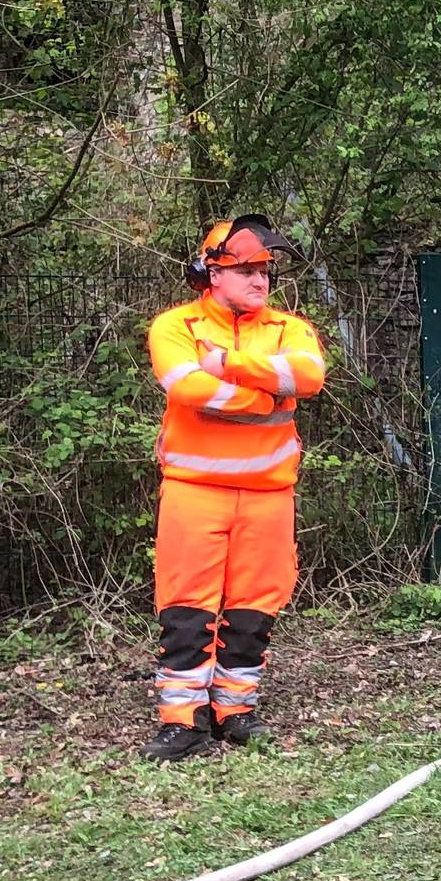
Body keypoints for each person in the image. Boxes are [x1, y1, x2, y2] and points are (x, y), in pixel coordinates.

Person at [141, 215, 325, 759]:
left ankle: (235, 711)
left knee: (254, 608)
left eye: (264, 271)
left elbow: (308, 378)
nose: (260, 280)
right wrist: (263, 397)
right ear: (213, 274)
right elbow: (187, 386)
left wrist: (228, 364)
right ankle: (182, 720)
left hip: (268, 495)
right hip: (194, 490)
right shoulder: (175, 326)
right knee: (185, 608)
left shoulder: (290, 329)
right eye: (246, 270)